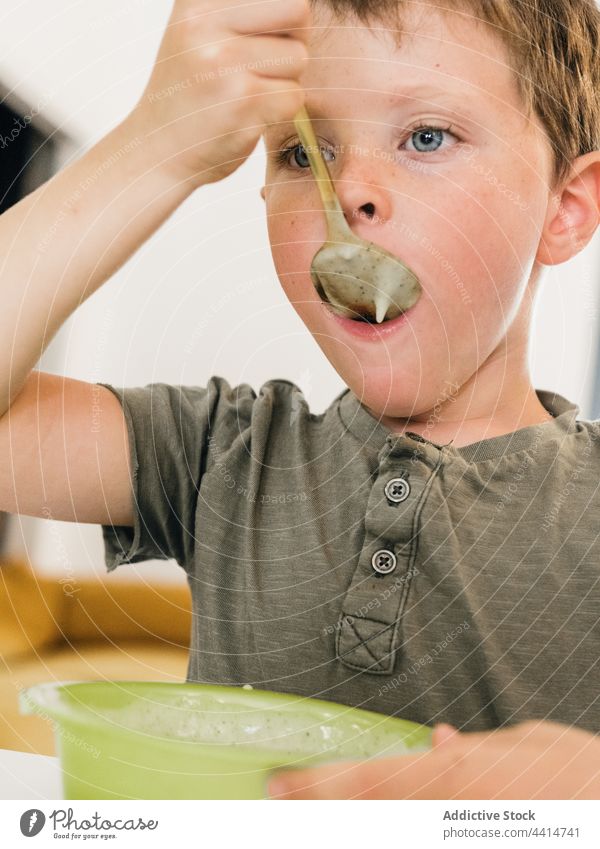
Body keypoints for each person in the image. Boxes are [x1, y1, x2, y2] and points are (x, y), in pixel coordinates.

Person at [1, 0, 599, 799]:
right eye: (302, 151)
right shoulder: (222, 453)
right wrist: (156, 150)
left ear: (565, 209)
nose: (348, 190)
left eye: (426, 136)